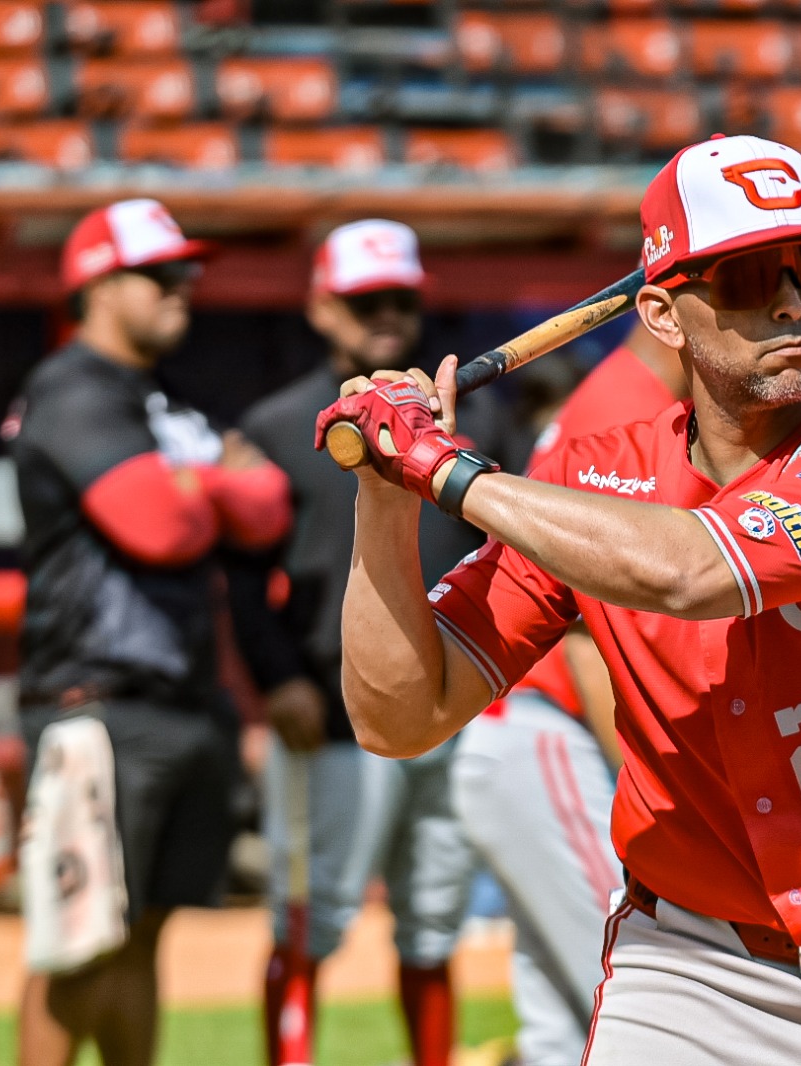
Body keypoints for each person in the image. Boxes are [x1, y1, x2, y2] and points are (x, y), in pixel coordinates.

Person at [319, 134, 801, 1066]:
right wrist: (385, 498)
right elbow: (398, 714)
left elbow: (694, 572)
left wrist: (440, 467)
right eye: (752, 277)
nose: (795, 299)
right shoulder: (597, 474)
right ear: (664, 317)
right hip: (690, 977)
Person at [7, 198, 291, 1066]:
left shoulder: (158, 402)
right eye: (161, 275)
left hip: (183, 701)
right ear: (97, 285)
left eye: (186, 274)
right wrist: (214, 487)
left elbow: (269, 507)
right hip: (96, 701)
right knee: (79, 941)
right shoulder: (72, 389)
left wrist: (191, 487)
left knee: (142, 934)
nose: (183, 289)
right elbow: (157, 526)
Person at [229, 220, 499, 1066]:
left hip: (465, 704)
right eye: (364, 299)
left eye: (399, 298)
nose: (385, 313)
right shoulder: (276, 427)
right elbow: (241, 578)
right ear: (320, 306)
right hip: (334, 709)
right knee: (313, 915)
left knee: (432, 918)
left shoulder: (471, 415)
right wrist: (275, 679)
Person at [449, 316, 686, 1066]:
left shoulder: (620, 395)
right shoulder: (625, 409)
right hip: (545, 731)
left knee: (563, 1028)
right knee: (646, 1000)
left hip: (524, 740)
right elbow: (591, 630)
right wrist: (654, 782)